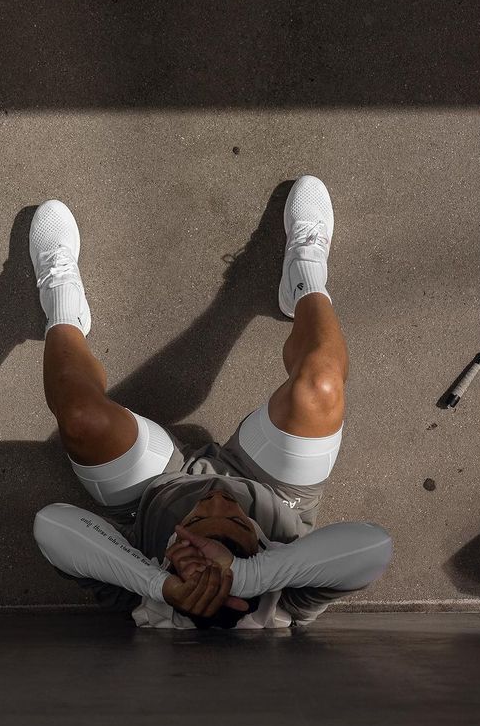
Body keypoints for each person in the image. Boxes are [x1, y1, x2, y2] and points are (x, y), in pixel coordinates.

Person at [31, 175, 393, 629]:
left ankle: (62, 305)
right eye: (237, 522)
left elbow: (53, 524)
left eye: (202, 517)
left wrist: (156, 583)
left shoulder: (150, 604)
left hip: (149, 497)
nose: (218, 497)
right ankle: (305, 276)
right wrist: (244, 577)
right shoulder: (282, 605)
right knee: (319, 387)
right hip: (276, 493)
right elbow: (373, 546)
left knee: (81, 418)